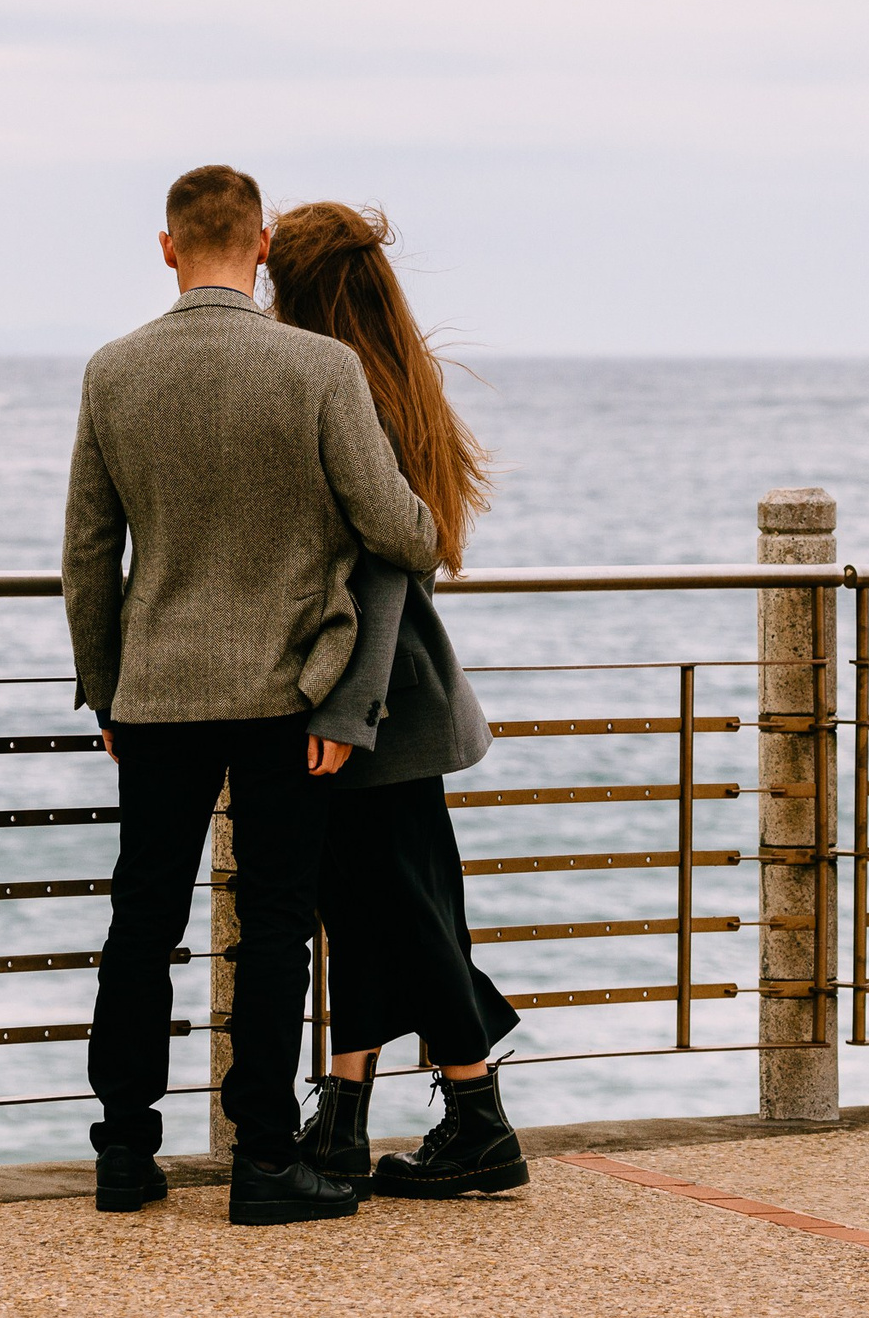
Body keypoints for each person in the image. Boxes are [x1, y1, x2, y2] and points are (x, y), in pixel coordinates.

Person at [65, 166, 441, 1226]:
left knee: (141, 923)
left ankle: (125, 1155)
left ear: (168, 246)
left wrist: (104, 689)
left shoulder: (113, 372)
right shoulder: (319, 369)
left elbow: (89, 552)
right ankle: (265, 1163)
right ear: (262, 243)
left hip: (155, 695)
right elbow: (398, 529)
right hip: (288, 692)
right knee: (272, 928)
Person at [273, 201, 528, 1201]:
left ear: (296, 291)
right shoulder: (381, 377)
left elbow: (380, 573)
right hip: (391, 694)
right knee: (373, 909)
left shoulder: (351, 391)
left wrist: (345, 712)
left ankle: (478, 1118)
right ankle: (342, 1118)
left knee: (412, 918)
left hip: (375, 700)